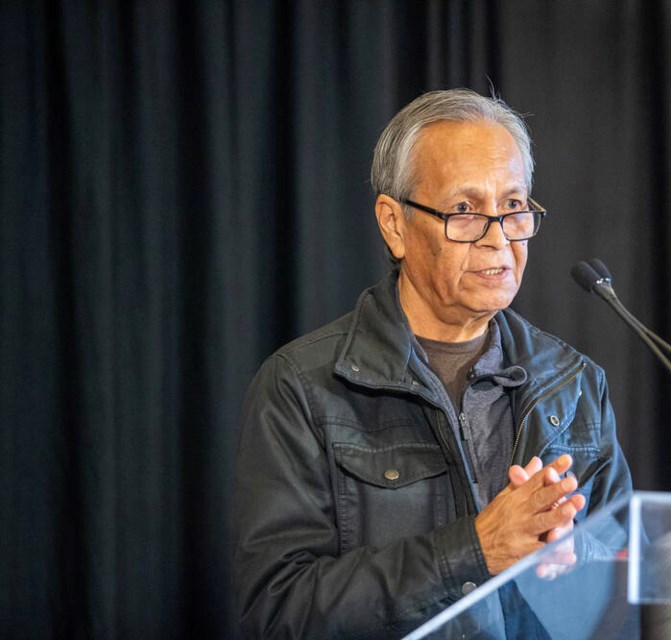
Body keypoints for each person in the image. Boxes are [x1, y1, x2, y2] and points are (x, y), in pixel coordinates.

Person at [232, 88, 632, 638]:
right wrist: (473, 551)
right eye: (465, 211)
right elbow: (280, 612)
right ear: (394, 224)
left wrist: (570, 552)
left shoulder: (575, 385)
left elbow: (628, 601)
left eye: (513, 207)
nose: (498, 241)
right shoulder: (302, 387)